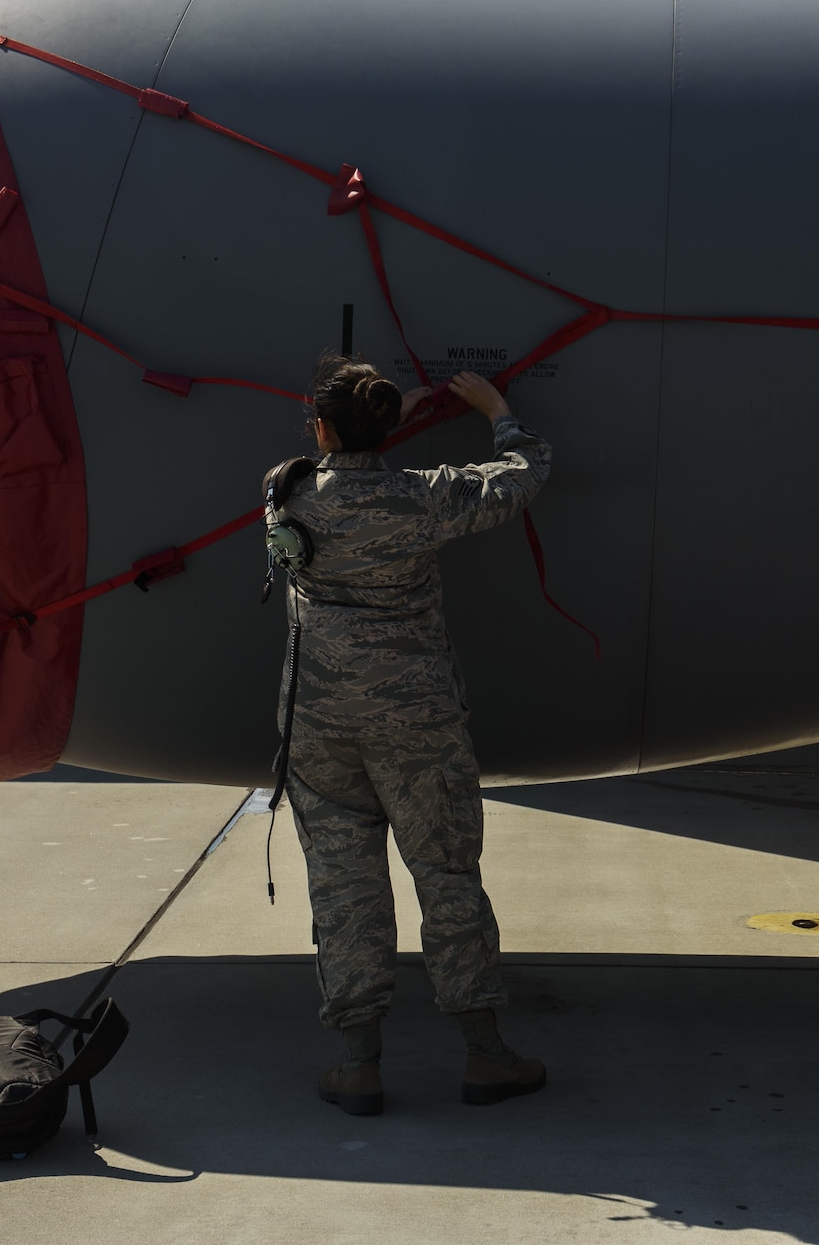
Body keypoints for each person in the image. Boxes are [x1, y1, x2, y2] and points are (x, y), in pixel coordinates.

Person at [266, 353, 551, 1116]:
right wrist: (497, 412)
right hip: (416, 720)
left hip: (318, 722)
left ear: (320, 428)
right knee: (447, 873)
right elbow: (524, 474)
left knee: (343, 886)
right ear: (388, 427)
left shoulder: (285, 492)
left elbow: (319, 463)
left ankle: (358, 1063)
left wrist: (386, 411)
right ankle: (486, 1054)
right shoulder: (422, 498)